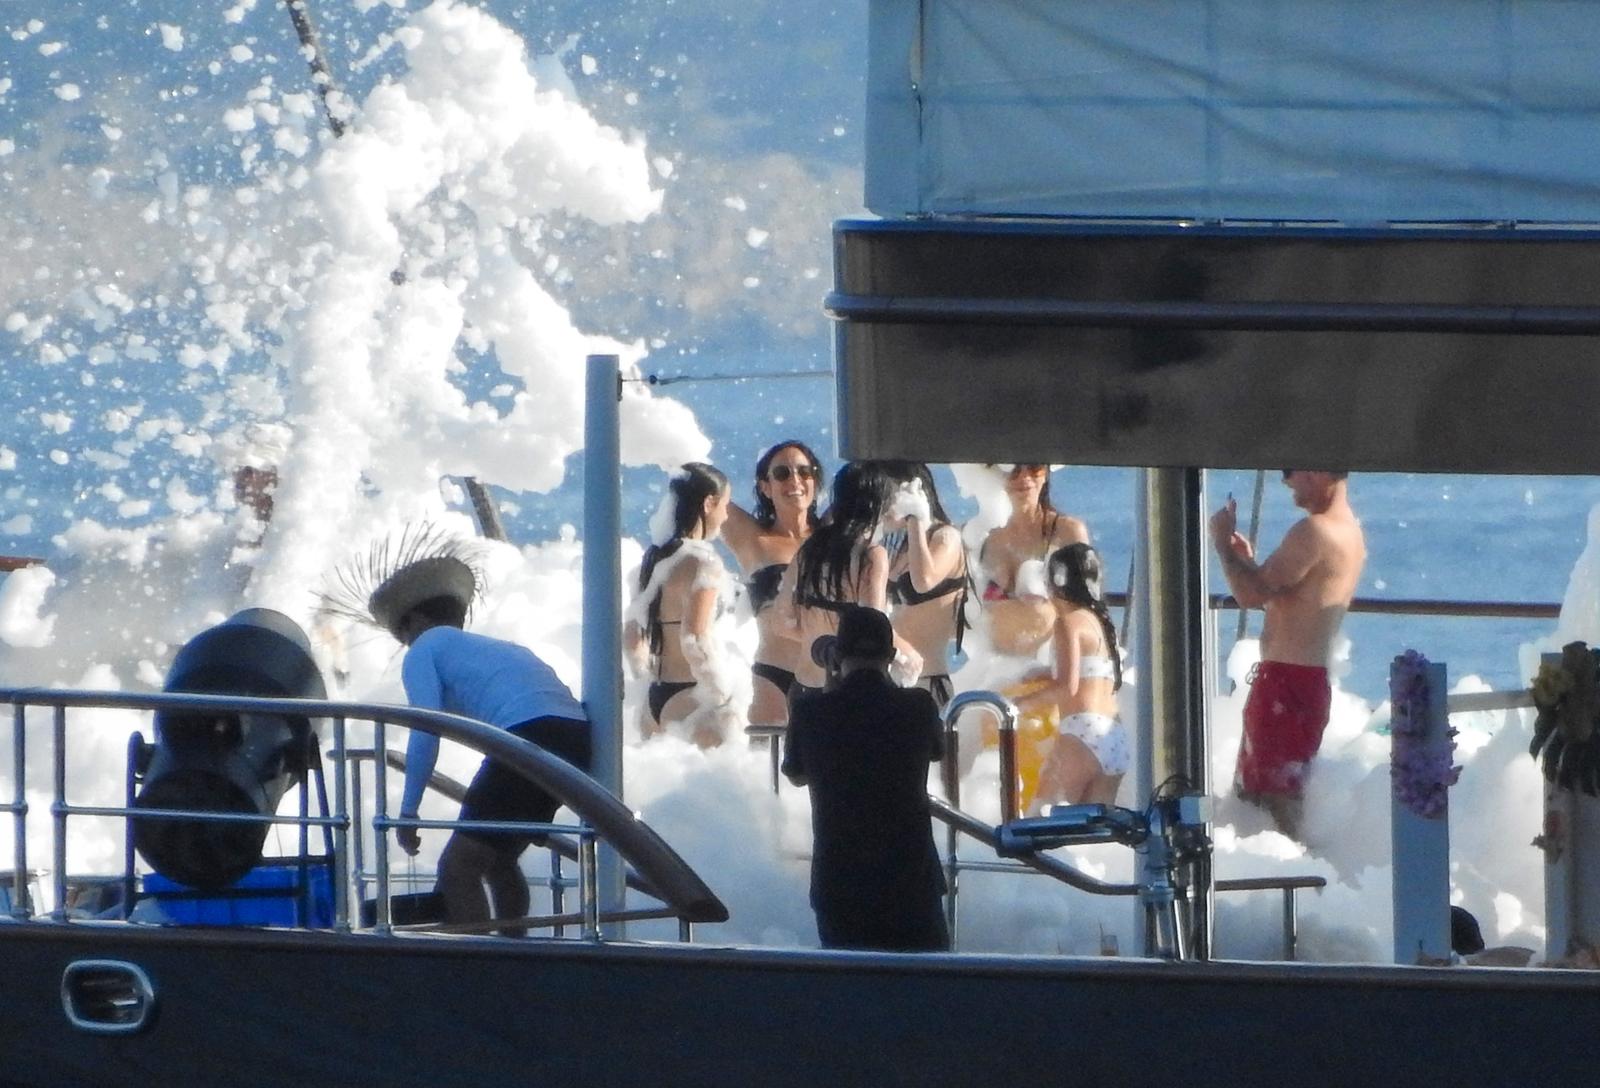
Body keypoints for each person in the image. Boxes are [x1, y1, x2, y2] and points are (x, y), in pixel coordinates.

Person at [324, 526, 592, 937]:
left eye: (401, 633)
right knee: (499, 858)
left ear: (414, 621)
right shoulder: (499, 649)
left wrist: (408, 812)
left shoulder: (426, 648)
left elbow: (426, 728)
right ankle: (516, 951)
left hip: (530, 735)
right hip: (574, 739)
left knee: (458, 867)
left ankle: (481, 964)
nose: (404, 643)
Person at [782, 604, 949, 952]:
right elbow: (937, 750)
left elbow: (795, 772)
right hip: (912, 878)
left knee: (851, 979)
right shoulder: (919, 706)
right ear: (890, 655)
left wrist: (829, 690)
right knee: (927, 977)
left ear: (839, 655)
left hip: (840, 880)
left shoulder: (810, 712)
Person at [1210, 469, 1366, 838]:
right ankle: (1290, 867)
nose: (1286, 481)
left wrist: (1221, 544)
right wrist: (1246, 563)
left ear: (1316, 473)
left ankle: (1278, 869)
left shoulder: (1314, 531)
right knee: (1280, 796)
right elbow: (1289, 601)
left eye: (1289, 472)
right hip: (1305, 681)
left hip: (1287, 682)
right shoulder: (1350, 531)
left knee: (1267, 802)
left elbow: (1250, 594)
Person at [775, 461, 919, 701]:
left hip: (803, 688)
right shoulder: (871, 555)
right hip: (847, 689)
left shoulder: (810, 548)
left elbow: (781, 622)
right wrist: (908, 654)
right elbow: (873, 630)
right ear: (879, 505)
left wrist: (817, 637)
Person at [625, 462, 742, 747]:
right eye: (725, 505)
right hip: (693, 697)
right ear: (709, 503)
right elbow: (695, 638)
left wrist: (644, 681)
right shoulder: (703, 562)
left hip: (654, 699)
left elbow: (631, 639)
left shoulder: (651, 562)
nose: (726, 515)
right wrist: (722, 699)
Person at [717, 441, 824, 728]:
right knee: (767, 757)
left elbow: (872, 489)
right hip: (774, 678)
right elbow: (706, 488)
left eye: (804, 471)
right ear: (765, 487)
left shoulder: (831, 535)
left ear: (815, 481)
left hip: (826, 680)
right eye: (782, 474)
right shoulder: (754, 539)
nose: (795, 480)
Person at [1015, 543, 1128, 810]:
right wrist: (1045, 673)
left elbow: (1067, 688)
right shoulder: (1101, 623)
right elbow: (1092, 673)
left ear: (1056, 582)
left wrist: (1018, 705)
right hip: (1114, 737)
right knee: (1092, 829)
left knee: (1041, 821)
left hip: (1081, 733)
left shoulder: (1068, 623)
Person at [881, 462, 968, 712]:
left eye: (891, 495)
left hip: (927, 682)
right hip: (890, 680)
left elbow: (923, 581)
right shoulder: (898, 544)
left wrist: (916, 518)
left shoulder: (946, 537)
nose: (886, 504)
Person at [978, 464, 1090, 658]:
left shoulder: (1067, 532)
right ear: (996, 474)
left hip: (1054, 663)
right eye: (1012, 468)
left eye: (1034, 466)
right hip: (995, 665)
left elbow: (1087, 611)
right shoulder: (986, 539)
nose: (1024, 476)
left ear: (1046, 474)